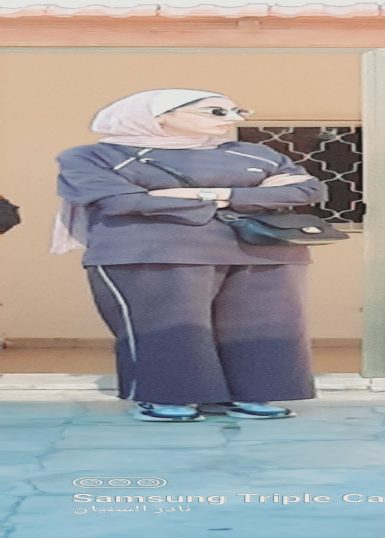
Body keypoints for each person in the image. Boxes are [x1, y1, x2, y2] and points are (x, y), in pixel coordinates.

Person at [54, 89, 328, 422]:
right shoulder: (94, 156)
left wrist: (209, 195)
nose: (232, 119)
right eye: (216, 112)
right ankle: (168, 397)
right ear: (160, 116)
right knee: (170, 329)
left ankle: (250, 394)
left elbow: (307, 190)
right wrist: (253, 195)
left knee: (263, 327)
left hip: (263, 250)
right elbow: (121, 201)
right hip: (154, 253)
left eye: (238, 111)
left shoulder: (255, 153)